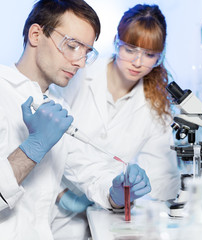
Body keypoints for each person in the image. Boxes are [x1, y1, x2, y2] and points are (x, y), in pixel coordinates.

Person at [0, 1, 151, 239]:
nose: (80, 63)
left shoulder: (59, 106)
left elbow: (87, 169)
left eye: (87, 52)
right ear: (36, 35)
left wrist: (116, 192)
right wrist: (33, 147)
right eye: (72, 46)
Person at [52, 3, 181, 238]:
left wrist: (136, 195)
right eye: (130, 49)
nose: (138, 62)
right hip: (54, 202)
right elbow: (51, 136)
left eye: (150, 54)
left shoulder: (157, 107)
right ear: (116, 42)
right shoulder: (79, 74)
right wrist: (59, 193)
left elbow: (163, 175)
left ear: (159, 57)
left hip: (108, 212)